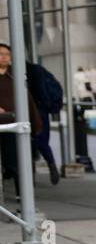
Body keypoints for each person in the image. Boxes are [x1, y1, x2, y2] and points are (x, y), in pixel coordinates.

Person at [0, 42, 41, 188]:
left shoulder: (15, 76)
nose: (4, 58)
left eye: (7, 55)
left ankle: (21, 193)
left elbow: (27, 100)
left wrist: (35, 123)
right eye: (1, 54)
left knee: (17, 159)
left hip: (14, 123)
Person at [27, 58, 63, 184]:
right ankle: (51, 165)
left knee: (28, 143)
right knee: (41, 142)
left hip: (35, 110)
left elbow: (40, 90)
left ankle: (31, 176)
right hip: (41, 110)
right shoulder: (36, 69)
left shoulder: (29, 71)